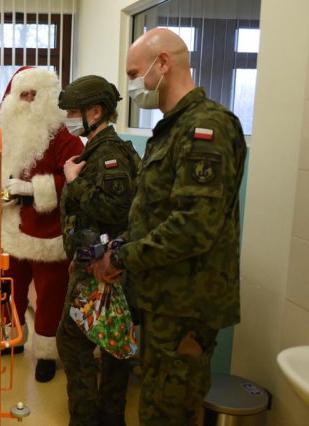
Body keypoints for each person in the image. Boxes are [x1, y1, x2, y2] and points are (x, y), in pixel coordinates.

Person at [93, 28, 247, 425]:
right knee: (156, 406)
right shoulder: (172, 128)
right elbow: (157, 212)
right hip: (163, 299)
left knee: (168, 414)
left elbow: (194, 226)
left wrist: (123, 257)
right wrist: (122, 243)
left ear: (163, 64)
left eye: (133, 73)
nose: (131, 86)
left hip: (186, 307)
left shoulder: (206, 129)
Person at [0, 66, 84, 382]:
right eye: (22, 94)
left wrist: (32, 189)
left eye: (33, 95)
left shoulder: (65, 136)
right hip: (11, 229)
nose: (27, 101)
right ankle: (13, 340)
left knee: (51, 296)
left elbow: (75, 180)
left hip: (48, 233)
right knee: (8, 291)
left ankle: (47, 354)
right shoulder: (3, 133)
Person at [56, 75, 140, 425]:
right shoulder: (99, 147)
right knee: (112, 346)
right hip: (101, 265)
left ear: (96, 111)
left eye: (75, 111)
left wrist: (73, 183)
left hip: (100, 269)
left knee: (73, 345)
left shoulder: (107, 154)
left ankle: (88, 418)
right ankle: (109, 417)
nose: (69, 118)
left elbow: (115, 210)